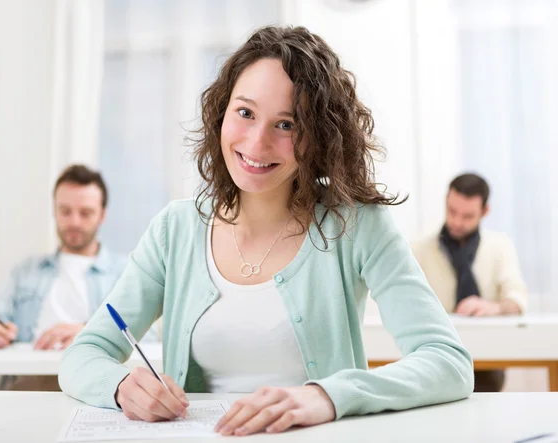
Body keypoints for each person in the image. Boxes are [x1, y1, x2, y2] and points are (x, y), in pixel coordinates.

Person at [59, 26, 473, 436]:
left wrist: (328, 396)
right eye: (245, 113)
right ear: (222, 111)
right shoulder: (175, 230)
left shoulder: (359, 225)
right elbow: (85, 354)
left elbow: (448, 362)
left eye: (287, 125)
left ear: (320, 136)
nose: (257, 144)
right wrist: (120, 387)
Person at [0, 165, 128, 390]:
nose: (74, 222)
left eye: (85, 213)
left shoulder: (124, 272)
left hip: (97, 382)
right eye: (65, 211)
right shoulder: (26, 271)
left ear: (102, 215)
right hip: (28, 382)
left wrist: (89, 330)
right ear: (54, 211)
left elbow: (144, 333)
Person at [413, 173, 527, 392]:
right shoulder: (420, 250)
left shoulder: (499, 246)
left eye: (467, 216)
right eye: (452, 211)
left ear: (485, 212)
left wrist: (494, 307)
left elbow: (518, 299)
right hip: (436, 357)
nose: (456, 222)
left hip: (488, 359)